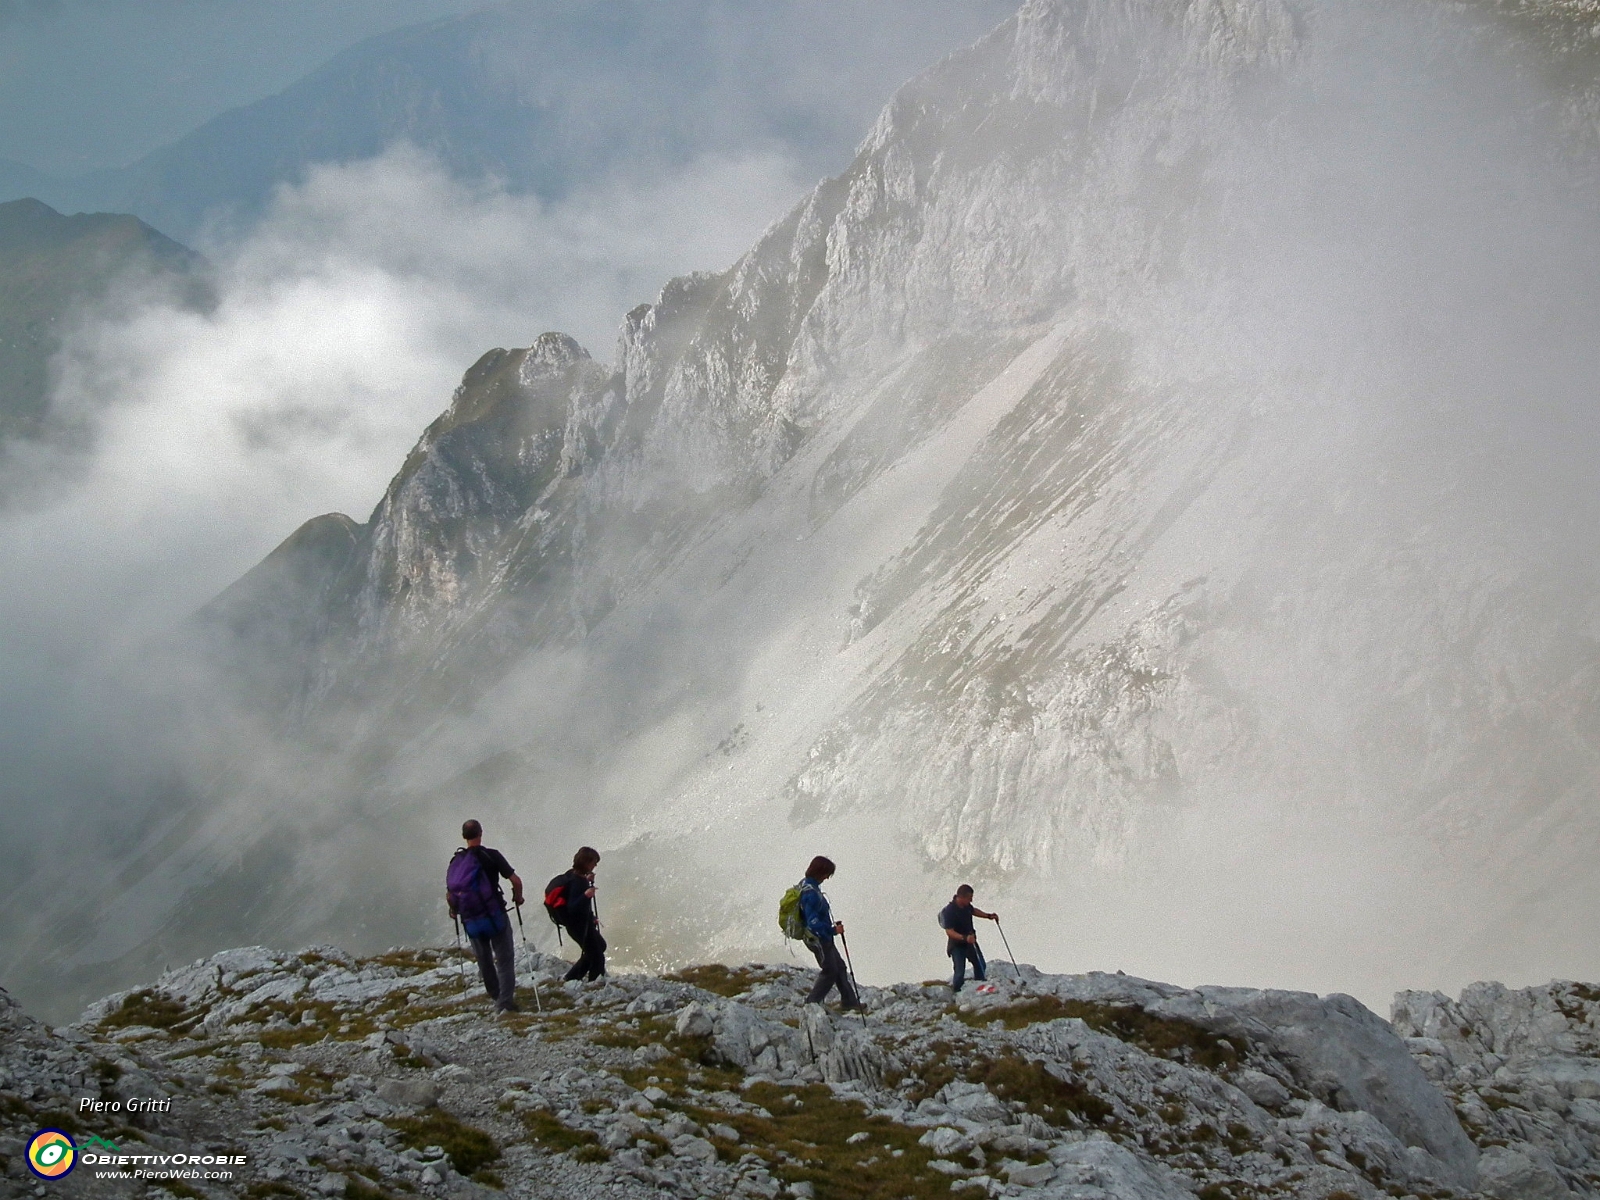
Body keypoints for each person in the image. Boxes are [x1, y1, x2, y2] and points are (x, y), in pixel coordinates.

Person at [446, 819, 524, 1013]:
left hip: (471, 919)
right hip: (494, 915)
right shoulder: (491, 856)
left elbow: (450, 894)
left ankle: (496, 995)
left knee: (484, 960)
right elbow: (516, 880)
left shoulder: (456, 861)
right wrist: (518, 897)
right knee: (504, 959)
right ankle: (505, 1003)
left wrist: (454, 909)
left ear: (464, 837)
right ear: (481, 833)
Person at [798, 856, 863, 1011]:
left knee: (839, 967)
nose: (827, 878)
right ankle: (812, 1004)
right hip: (819, 939)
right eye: (826, 874)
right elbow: (812, 922)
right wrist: (833, 930)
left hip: (822, 938)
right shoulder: (811, 893)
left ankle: (849, 1001)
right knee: (830, 971)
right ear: (820, 872)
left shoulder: (807, 885)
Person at [556, 846, 606, 982]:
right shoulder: (577, 882)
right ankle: (594, 983)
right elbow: (573, 907)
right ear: (586, 862)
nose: (595, 865)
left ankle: (571, 978)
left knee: (599, 946)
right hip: (577, 925)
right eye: (594, 862)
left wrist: (592, 917)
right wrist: (586, 895)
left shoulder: (575, 876)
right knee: (596, 955)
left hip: (581, 923)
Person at [938, 884, 997, 993]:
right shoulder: (949, 911)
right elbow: (949, 931)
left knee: (980, 964)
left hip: (970, 942)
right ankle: (957, 992)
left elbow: (973, 911)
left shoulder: (966, 906)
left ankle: (981, 986)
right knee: (960, 971)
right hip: (957, 945)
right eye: (969, 898)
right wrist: (965, 938)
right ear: (962, 897)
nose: (971, 900)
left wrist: (988, 916)